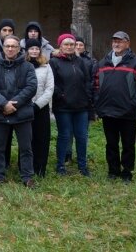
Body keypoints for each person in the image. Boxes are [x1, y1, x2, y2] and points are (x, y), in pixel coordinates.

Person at [95, 31, 136, 182]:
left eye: (120, 41)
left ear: (127, 43)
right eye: (114, 41)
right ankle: (113, 171)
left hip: (127, 113)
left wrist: (133, 104)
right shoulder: (102, 62)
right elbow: (94, 85)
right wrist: (98, 103)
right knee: (111, 144)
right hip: (107, 112)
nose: (116, 44)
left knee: (128, 145)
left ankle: (126, 172)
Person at [0, 35, 37, 187]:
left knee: (26, 148)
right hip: (0, 113)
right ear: (3, 48)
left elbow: (31, 87)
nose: (10, 49)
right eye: (7, 46)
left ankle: (27, 177)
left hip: (22, 113)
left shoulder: (28, 67)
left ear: (18, 49)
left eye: (13, 46)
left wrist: (14, 104)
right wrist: (3, 104)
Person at [49, 33, 93, 177]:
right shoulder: (54, 62)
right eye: (66, 44)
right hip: (63, 107)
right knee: (64, 136)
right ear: (60, 46)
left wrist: (87, 97)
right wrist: (61, 95)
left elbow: (87, 81)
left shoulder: (81, 62)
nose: (69, 47)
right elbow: (52, 84)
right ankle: (60, 165)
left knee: (81, 136)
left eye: (71, 44)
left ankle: (82, 166)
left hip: (81, 106)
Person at [24, 38, 55, 178]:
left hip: (40, 108)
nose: (34, 51)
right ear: (27, 50)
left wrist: (37, 104)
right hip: (25, 106)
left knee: (41, 139)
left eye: (37, 48)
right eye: (32, 48)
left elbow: (49, 88)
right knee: (27, 139)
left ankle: (40, 168)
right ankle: (25, 167)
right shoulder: (22, 65)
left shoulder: (46, 66)